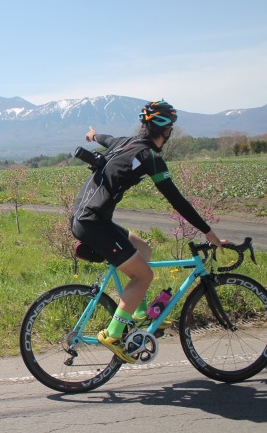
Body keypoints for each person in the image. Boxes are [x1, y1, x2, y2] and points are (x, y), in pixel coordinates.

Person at [70, 100, 225, 363]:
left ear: (145, 126)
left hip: (87, 217)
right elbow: (177, 201)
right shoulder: (149, 158)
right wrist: (208, 232)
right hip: (93, 222)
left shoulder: (123, 142)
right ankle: (113, 333)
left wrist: (92, 135)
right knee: (144, 276)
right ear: (167, 131)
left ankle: (139, 315)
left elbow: (103, 138)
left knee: (144, 249)